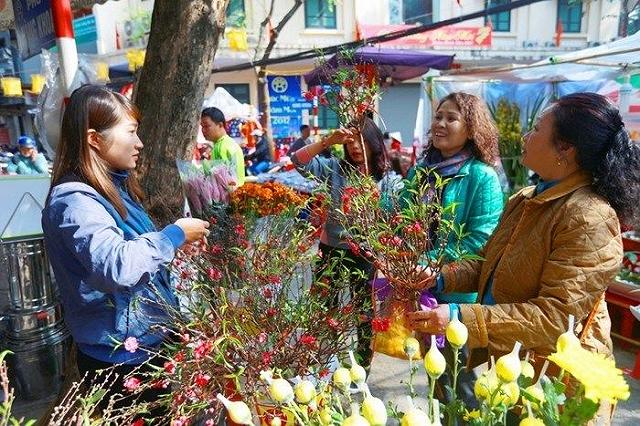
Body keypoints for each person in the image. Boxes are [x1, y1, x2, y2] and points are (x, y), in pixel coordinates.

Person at [408, 93, 640, 424]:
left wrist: (460, 315)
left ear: (565, 149)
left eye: (534, 129)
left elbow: (556, 318)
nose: (525, 136)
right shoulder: (527, 199)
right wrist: (438, 276)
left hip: (555, 383)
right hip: (514, 367)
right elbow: (488, 261)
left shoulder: (589, 216)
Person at [41, 85, 210, 413]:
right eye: (131, 132)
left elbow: (134, 254)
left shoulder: (115, 189)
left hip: (147, 345)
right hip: (119, 361)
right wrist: (172, 236)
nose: (140, 143)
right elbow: (116, 266)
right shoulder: (75, 202)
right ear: (94, 138)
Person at [291, 117, 388, 368]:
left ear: (374, 144)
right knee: (326, 306)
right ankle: (330, 360)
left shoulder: (383, 179)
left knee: (363, 310)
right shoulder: (336, 168)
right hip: (330, 248)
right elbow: (298, 161)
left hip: (365, 253)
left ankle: (363, 364)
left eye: (363, 140)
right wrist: (328, 141)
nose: (356, 146)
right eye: (351, 140)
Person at [404, 92, 504, 303]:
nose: (440, 124)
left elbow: (480, 241)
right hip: (409, 284)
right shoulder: (419, 173)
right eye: (438, 117)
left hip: (454, 294)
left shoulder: (482, 176)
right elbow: (401, 218)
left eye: (451, 118)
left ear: (471, 130)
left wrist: (427, 263)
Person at [200, 107, 245, 186]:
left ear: (220, 125)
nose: (203, 130)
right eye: (202, 126)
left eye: (206, 126)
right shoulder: (224, 144)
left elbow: (223, 180)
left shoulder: (223, 147)